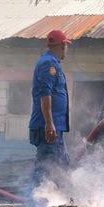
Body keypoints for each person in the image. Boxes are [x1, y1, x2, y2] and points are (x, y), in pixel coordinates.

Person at [29, 29, 71, 185]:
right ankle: (37, 204)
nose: (66, 49)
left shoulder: (53, 63)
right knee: (46, 168)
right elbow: (44, 94)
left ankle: (59, 201)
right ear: (61, 46)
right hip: (48, 127)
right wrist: (49, 123)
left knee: (61, 166)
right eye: (66, 45)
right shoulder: (48, 63)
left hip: (55, 126)